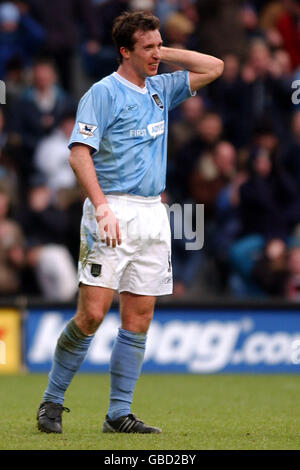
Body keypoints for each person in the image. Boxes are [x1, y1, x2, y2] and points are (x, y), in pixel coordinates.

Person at [36, 10, 223, 435]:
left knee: (138, 319)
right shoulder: (102, 93)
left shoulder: (161, 88)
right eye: (148, 48)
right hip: (112, 207)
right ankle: (52, 399)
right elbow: (79, 153)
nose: (157, 55)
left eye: (159, 46)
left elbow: (216, 67)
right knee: (92, 315)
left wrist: (162, 51)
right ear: (124, 52)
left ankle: (117, 414)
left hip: (153, 213)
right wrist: (100, 206)